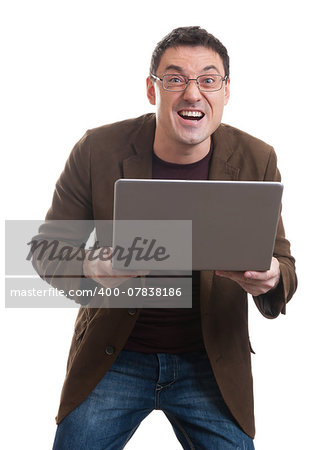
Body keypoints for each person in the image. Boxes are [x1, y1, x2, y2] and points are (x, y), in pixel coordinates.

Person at [32, 26, 297, 449]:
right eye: (175, 79)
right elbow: (46, 251)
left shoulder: (257, 158)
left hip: (210, 364)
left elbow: (283, 264)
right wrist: (89, 266)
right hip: (114, 357)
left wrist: (271, 278)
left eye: (208, 80)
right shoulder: (97, 150)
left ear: (226, 92)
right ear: (153, 91)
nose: (193, 93)